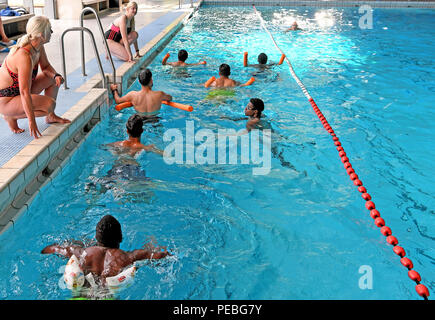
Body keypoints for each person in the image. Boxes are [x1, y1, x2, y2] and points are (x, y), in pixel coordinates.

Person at [41, 214, 170, 288]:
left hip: (82, 294)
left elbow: (51, 249)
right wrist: (153, 243)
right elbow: (162, 255)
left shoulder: (82, 253)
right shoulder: (128, 257)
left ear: (96, 238)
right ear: (120, 238)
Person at [0, 15, 70, 139]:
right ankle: (11, 115)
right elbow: (24, 91)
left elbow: (46, 67)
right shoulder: (24, 56)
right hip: (6, 100)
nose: (52, 32)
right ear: (41, 35)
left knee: (53, 79)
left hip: (18, 93)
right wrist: (31, 121)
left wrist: (56, 76)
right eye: (50, 30)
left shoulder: (38, 47)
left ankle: (51, 117)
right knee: (48, 105)